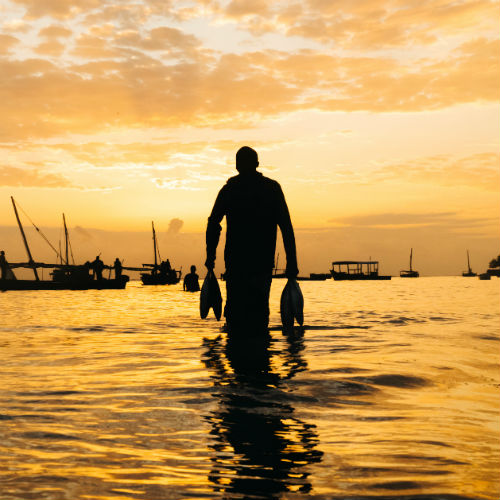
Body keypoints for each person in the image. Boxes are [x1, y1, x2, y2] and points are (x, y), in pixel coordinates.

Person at [205, 146, 298, 336]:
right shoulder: (271, 189)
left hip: (237, 264)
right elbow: (286, 227)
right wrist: (292, 262)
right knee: (259, 313)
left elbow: (213, 223)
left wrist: (210, 255)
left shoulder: (230, 190)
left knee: (235, 318)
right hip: (260, 263)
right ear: (257, 164)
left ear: (237, 166)